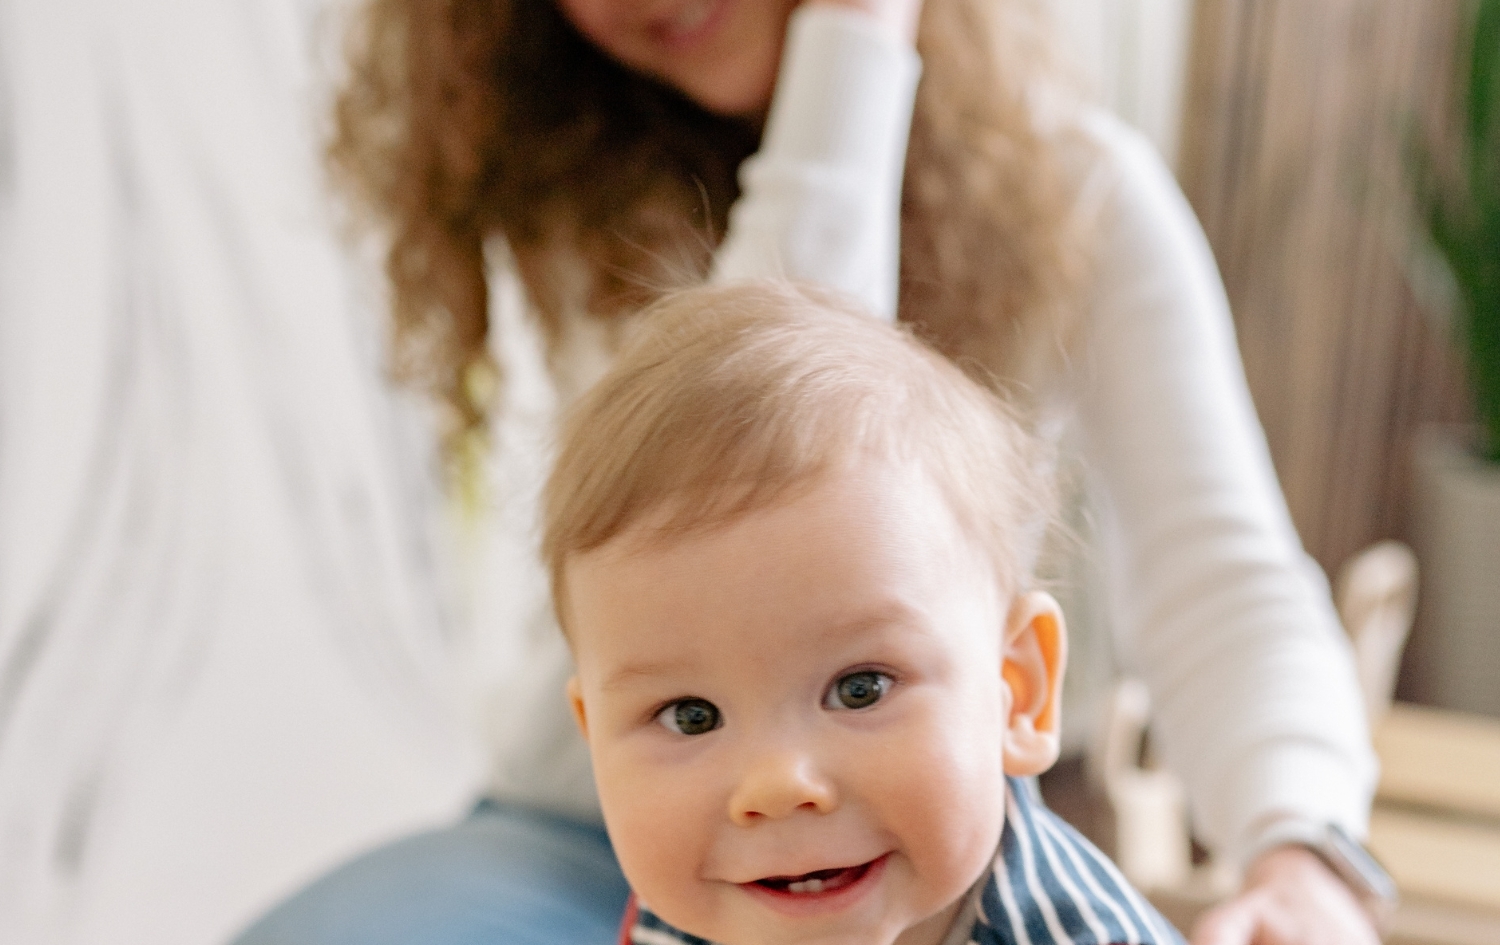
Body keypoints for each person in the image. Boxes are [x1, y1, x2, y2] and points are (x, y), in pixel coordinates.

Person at [545, 280, 1182, 945]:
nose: (778, 784)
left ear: (1017, 692)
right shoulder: (690, 908)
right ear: (596, 738)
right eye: (690, 716)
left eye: (861, 688)